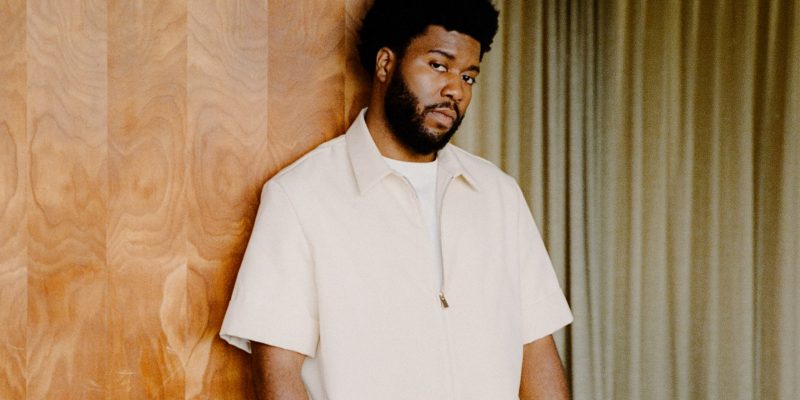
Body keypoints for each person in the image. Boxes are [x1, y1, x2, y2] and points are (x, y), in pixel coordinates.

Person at [220, 0, 573, 398]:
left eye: (468, 77)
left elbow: (536, 350)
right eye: (438, 65)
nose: (455, 89)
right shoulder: (300, 197)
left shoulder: (500, 196)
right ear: (386, 64)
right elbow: (278, 372)